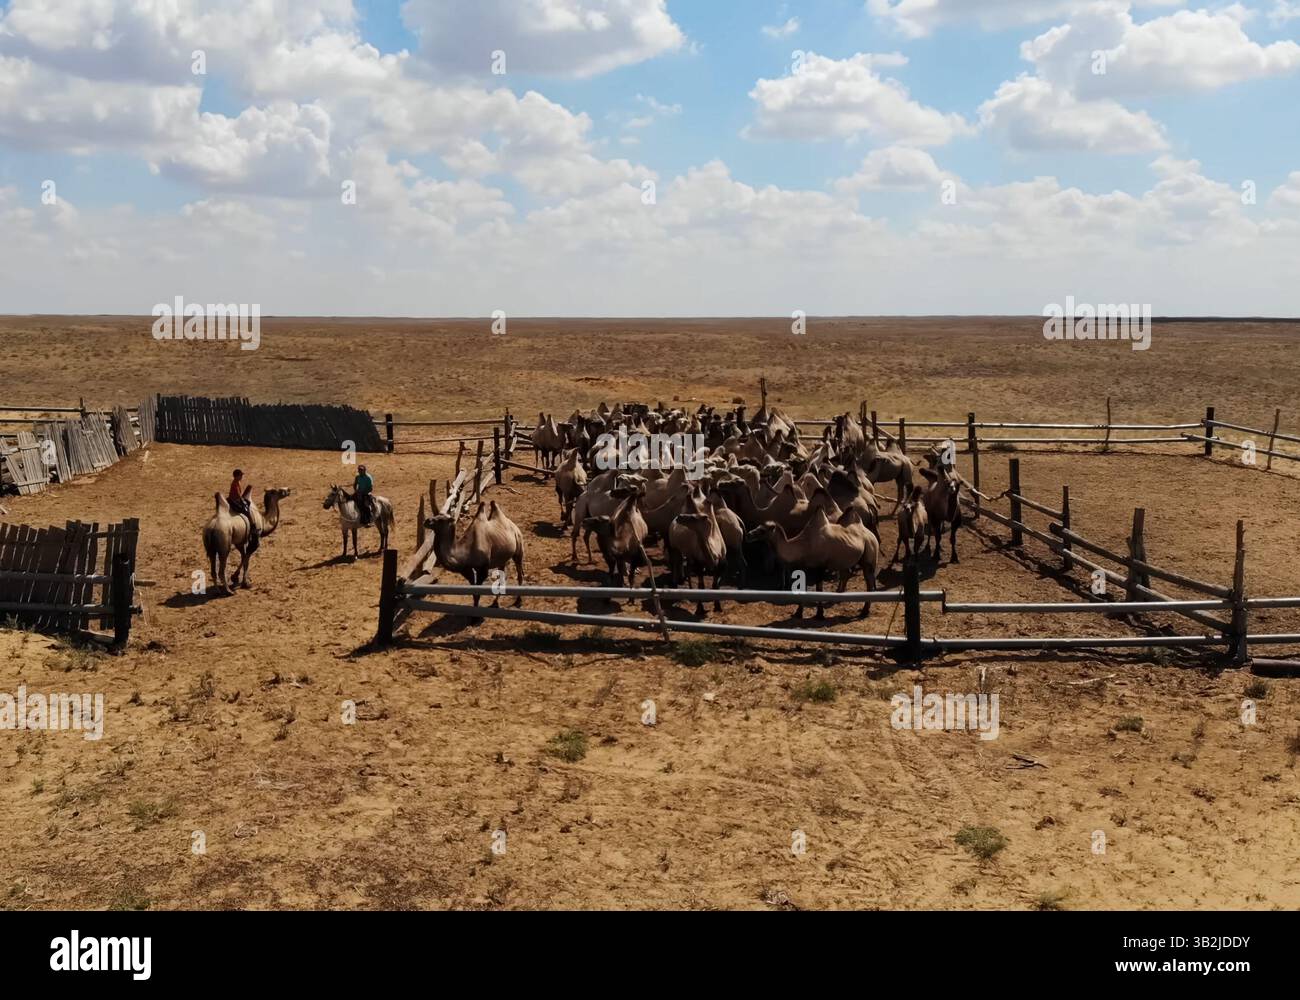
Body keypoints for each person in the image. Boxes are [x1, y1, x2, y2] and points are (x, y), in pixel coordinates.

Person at [228, 469, 260, 550]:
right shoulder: (234, 483)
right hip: (234, 500)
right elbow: (238, 495)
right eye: (240, 475)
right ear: (237, 476)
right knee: (246, 510)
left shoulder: (237, 482)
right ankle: (252, 526)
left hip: (236, 499)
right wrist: (242, 501)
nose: (242, 477)